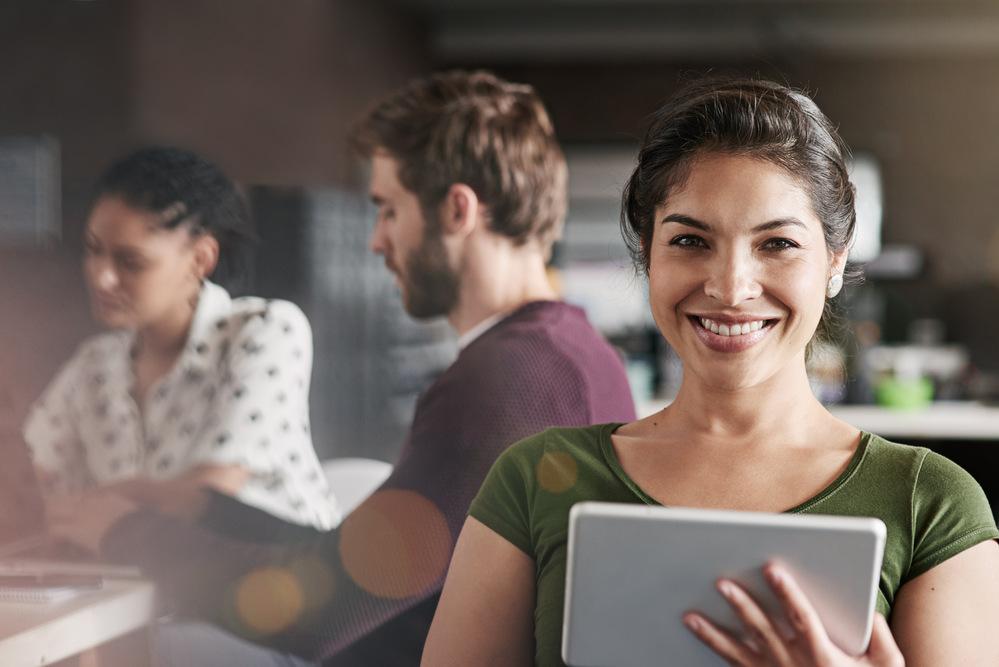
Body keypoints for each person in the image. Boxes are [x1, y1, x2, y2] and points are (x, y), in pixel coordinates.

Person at [48, 71, 636, 666]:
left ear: (457, 210)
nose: (377, 241)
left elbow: (323, 612)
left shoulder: (509, 379)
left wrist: (124, 533)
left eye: (388, 209)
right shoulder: (567, 353)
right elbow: (366, 573)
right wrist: (205, 511)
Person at [422, 77, 999, 667]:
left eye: (776, 244)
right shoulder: (530, 482)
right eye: (690, 239)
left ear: (835, 260)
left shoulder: (931, 505)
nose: (729, 287)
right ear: (647, 253)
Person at [25, 147, 337, 530]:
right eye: (93, 251)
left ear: (201, 259)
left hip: (284, 579)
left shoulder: (265, 330)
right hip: (156, 582)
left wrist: (94, 507)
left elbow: (210, 497)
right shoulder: (94, 364)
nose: (101, 277)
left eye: (130, 262)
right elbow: (25, 479)